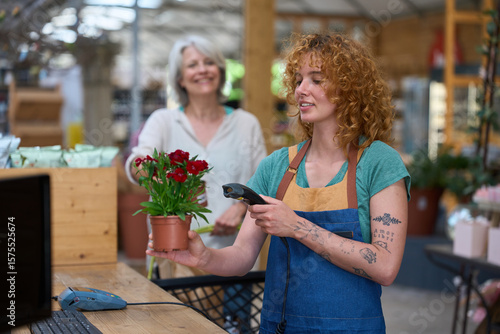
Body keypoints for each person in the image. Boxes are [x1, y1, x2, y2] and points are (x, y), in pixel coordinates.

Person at [147, 32, 410, 334]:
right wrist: (203, 256)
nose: (301, 90)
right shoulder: (276, 167)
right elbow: (243, 256)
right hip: (280, 327)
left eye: (317, 79)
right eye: (298, 79)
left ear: (349, 88)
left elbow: (385, 267)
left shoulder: (379, 162)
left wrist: (296, 226)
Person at [125, 35, 267, 278]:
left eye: (209, 62)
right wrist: (154, 177)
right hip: (177, 258)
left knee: (231, 317)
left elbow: (264, 183)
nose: (202, 70)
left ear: (221, 71)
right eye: (192, 65)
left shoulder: (246, 123)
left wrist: (242, 208)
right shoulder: (164, 121)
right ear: (179, 78)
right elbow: (136, 163)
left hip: (234, 258)